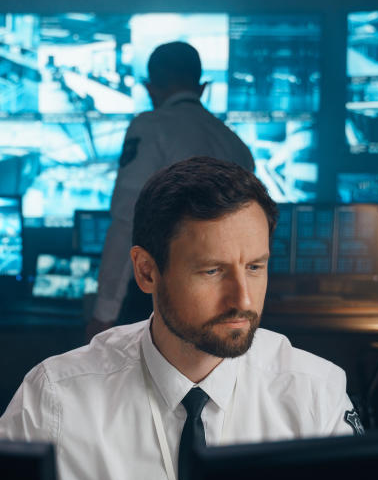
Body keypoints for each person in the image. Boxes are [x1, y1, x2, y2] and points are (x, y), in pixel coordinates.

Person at [0, 157, 364, 480]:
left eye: (256, 266)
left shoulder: (315, 393)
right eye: (211, 271)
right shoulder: (60, 393)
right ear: (146, 271)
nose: (243, 299)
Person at [87, 41, 255, 341]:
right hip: (225, 300)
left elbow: (128, 219)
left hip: (162, 300)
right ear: (202, 87)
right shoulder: (235, 144)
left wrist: (104, 311)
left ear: (150, 88)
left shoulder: (150, 127)